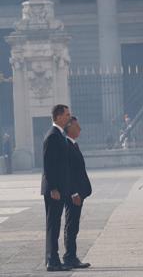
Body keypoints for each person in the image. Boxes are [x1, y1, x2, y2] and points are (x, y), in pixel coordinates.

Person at [41, 104, 72, 272]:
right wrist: (53, 188)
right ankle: (52, 260)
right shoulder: (52, 136)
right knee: (53, 225)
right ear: (59, 116)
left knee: (54, 224)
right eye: (67, 114)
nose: (69, 117)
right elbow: (48, 165)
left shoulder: (59, 134)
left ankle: (53, 258)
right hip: (54, 190)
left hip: (59, 188)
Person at [63, 116, 92, 269]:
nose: (79, 128)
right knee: (71, 225)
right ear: (69, 128)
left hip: (79, 193)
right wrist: (74, 193)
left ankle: (71, 256)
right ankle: (69, 257)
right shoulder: (67, 145)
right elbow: (68, 172)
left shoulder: (73, 144)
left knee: (74, 225)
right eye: (76, 126)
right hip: (74, 195)